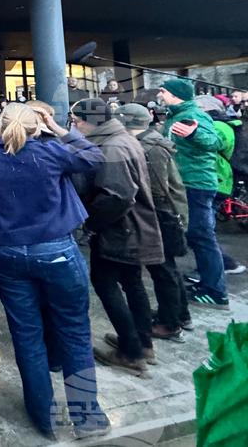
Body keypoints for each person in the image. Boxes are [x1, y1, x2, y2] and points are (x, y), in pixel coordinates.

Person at [0, 104, 110, 438]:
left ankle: (44, 417)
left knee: (26, 335)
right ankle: (87, 418)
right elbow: (94, 156)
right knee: (74, 332)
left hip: (6, 252)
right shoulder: (51, 152)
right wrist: (57, 128)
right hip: (57, 250)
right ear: (37, 127)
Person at [70, 98, 164, 375]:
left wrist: (92, 224)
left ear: (89, 121)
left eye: (76, 122)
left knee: (106, 283)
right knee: (133, 283)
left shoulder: (112, 146)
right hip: (134, 227)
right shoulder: (121, 138)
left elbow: (118, 196)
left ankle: (131, 352)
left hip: (120, 230)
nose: (74, 126)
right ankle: (141, 343)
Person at [114, 104, 191, 339]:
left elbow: (157, 190)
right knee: (167, 269)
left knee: (163, 270)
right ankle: (179, 314)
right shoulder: (150, 141)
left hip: (162, 215)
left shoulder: (150, 148)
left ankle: (170, 323)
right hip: (165, 213)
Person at [160, 79, 229, 309]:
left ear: (175, 94)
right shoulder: (175, 115)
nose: (160, 95)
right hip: (186, 182)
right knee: (198, 235)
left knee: (202, 236)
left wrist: (194, 133)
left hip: (196, 183)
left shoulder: (193, 115)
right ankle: (209, 284)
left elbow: (214, 142)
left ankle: (216, 292)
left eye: (163, 91)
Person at [194, 96, 246, 276]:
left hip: (216, 181)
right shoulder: (219, 125)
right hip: (215, 180)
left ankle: (220, 266)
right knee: (204, 229)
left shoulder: (218, 127)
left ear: (205, 109)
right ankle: (217, 265)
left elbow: (205, 147)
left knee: (202, 231)